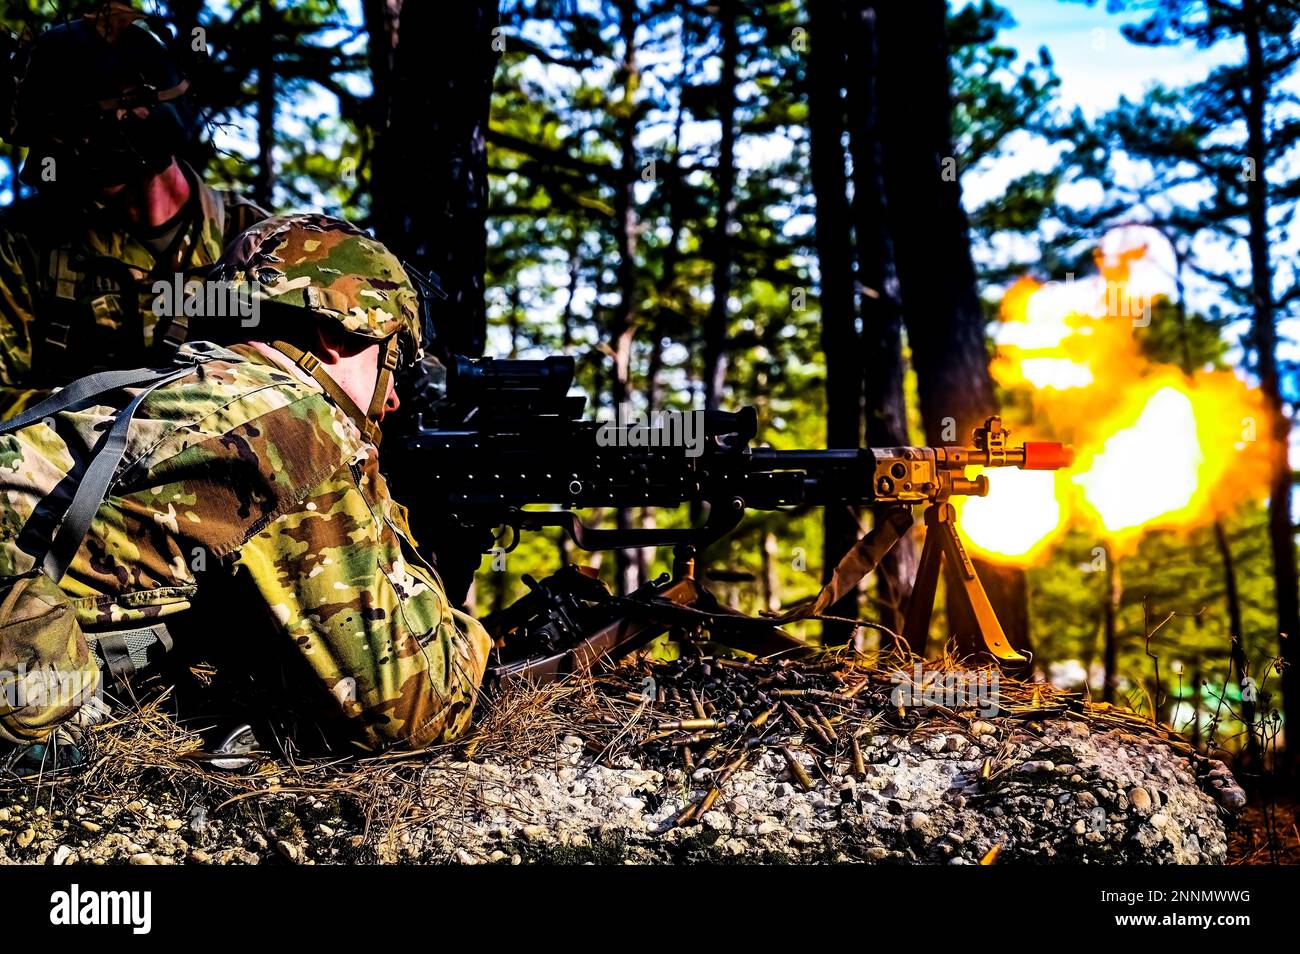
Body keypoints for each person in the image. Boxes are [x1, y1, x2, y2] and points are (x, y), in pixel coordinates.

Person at [0, 213, 491, 763]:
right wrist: (475, 639)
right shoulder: (289, 425)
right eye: (395, 362)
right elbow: (406, 713)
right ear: (339, 333)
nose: (393, 398)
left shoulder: (174, 389)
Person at [0, 7, 268, 418]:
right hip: (68, 476)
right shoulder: (23, 245)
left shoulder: (257, 242)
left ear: (141, 112)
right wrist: (127, 418)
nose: (43, 165)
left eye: (72, 131)